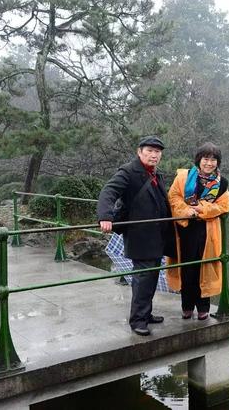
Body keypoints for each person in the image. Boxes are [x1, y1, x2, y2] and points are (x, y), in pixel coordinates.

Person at [97, 136, 174, 336]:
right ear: (139, 152)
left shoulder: (156, 174)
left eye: (157, 152)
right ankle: (138, 320)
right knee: (142, 278)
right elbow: (108, 191)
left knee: (151, 277)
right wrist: (105, 216)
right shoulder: (129, 171)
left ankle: (146, 314)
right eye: (149, 150)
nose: (154, 155)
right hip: (140, 236)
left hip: (157, 235)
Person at [166, 142, 229, 320]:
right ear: (199, 160)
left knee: (205, 266)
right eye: (206, 159)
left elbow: (224, 206)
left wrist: (201, 209)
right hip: (185, 229)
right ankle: (186, 306)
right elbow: (173, 197)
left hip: (208, 230)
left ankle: (203, 307)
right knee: (187, 268)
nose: (209, 163)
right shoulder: (184, 177)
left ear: (218, 162)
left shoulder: (222, 183)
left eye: (213, 160)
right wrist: (186, 211)